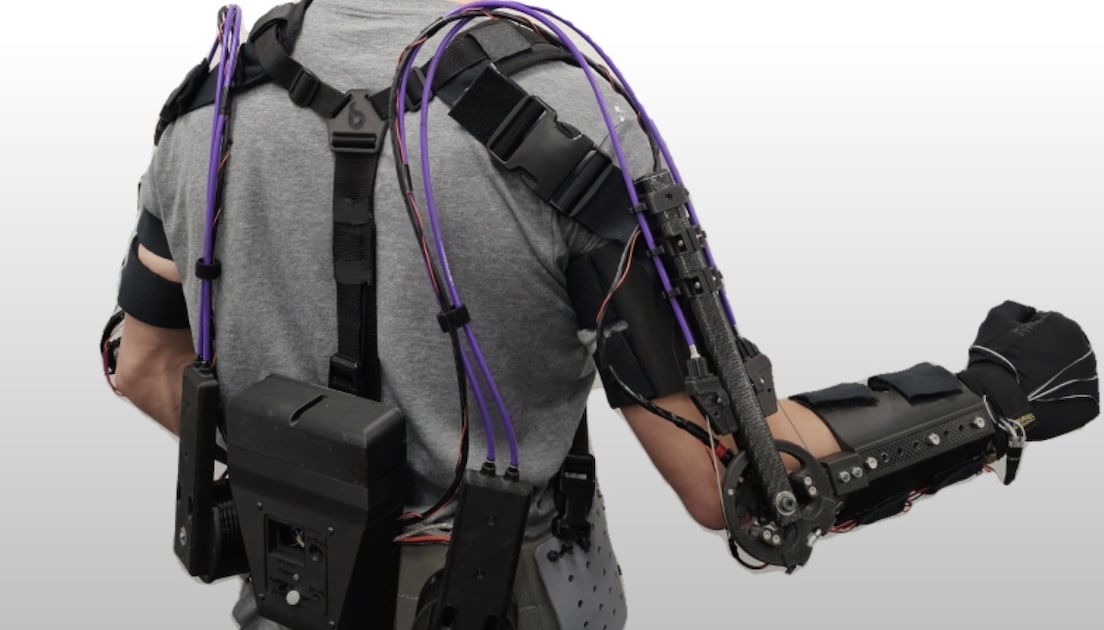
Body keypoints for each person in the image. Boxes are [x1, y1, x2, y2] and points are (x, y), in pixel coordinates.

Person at [110, 0, 1097, 627]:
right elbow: (742, 481)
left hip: (289, 595)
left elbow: (142, 364)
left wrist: (313, 477)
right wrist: (992, 404)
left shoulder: (208, 114)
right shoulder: (561, 120)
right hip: (502, 604)